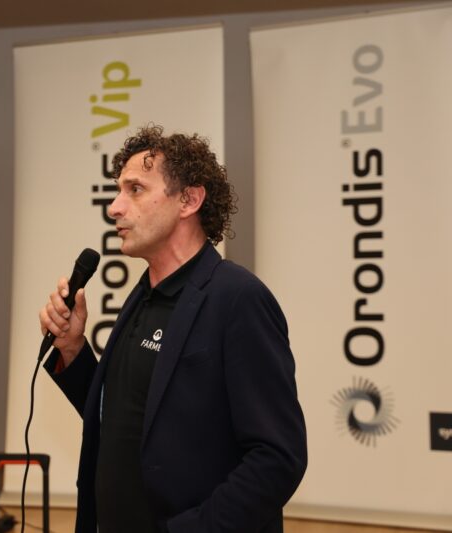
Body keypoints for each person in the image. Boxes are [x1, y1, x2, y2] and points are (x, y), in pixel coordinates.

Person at [38, 125, 307, 533]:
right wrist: (73, 349)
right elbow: (123, 417)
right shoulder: (143, 295)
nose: (114, 207)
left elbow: (278, 457)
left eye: (135, 190)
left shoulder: (238, 299)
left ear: (189, 200)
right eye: (118, 190)